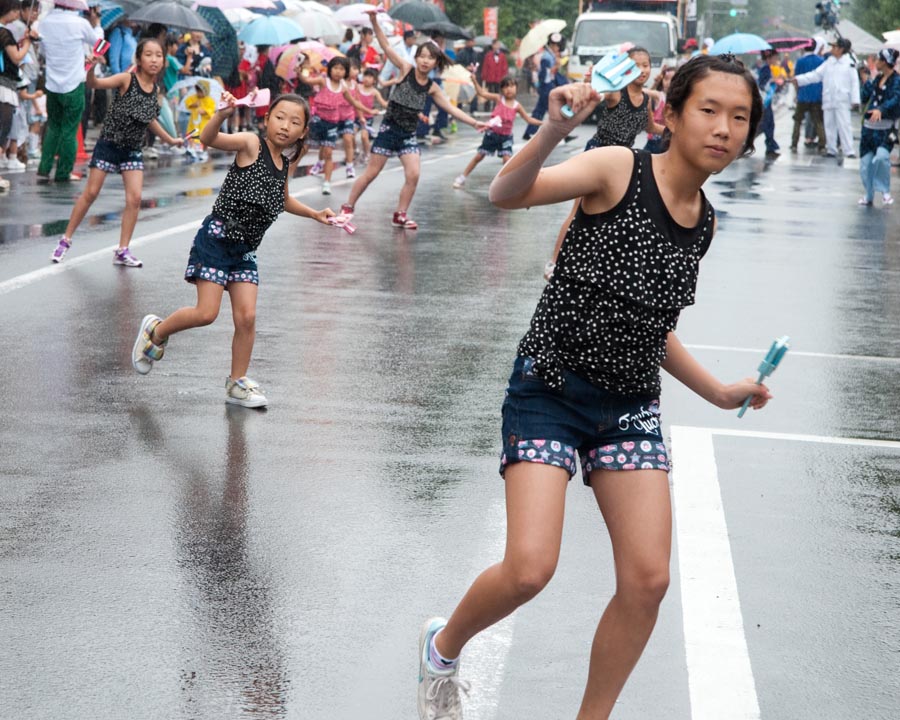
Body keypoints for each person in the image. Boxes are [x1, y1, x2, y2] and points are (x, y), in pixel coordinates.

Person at [415, 54, 770, 720]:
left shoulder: (705, 221)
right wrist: (550, 131)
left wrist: (720, 392)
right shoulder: (619, 170)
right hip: (550, 387)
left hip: (629, 405)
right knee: (529, 568)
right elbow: (506, 195)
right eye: (710, 110)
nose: (724, 128)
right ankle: (442, 647)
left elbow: (652, 327)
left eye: (740, 117)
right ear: (668, 115)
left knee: (648, 579)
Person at [130, 92, 335, 408]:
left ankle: (237, 383)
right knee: (206, 313)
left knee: (247, 317)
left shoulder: (285, 163)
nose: (285, 126)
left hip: (244, 250)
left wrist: (315, 214)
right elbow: (210, 139)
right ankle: (156, 331)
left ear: (303, 130)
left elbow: (282, 199)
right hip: (216, 240)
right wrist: (222, 114)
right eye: (279, 117)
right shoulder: (252, 144)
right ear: (266, 119)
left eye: (295, 122)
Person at [340, 10, 485, 230]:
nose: (425, 61)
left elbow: (450, 108)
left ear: (436, 62)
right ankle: (347, 207)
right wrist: (373, 21)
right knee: (371, 173)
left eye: (430, 58)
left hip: (408, 135)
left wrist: (474, 123)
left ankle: (400, 214)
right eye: (422, 56)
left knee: (414, 174)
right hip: (389, 131)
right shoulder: (406, 69)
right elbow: (387, 47)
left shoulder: (432, 87)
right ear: (416, 58)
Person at [49, 39, 183, 267]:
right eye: (148, 54)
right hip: (109, 145)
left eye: (158, 55)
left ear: (163, 61)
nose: (154, 59)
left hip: (131, 150)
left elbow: (149, 118)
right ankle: (65, 240)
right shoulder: (126, 79)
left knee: (135, 198)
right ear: (139, 59)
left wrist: (170, 139)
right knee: (90, 193)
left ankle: (123, 250)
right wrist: (91, 67)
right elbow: (95, 84)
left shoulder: (155, 89)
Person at [544, 46, 665, 279]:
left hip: (621, 164)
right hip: (597, 155)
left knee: (615, 216)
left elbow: (650, 127)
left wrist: (675, 132)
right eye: (635, 65)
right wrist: (590, 81)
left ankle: (599, 265)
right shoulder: (616, 92)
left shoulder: (646, 100)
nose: (641, 70)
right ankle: (554, 262)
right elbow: (596, 91)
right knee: (578, 211)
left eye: (646, 65)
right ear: (625, 69)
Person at [35, 2, 97, 182]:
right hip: (74, 83)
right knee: (69, 130)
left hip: (52, 84)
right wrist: (92, 56)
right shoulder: (80, 24)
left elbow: (44, 52)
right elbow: (99, 43)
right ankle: (63, 172)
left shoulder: (45, 22)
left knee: (53, 127)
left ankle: (44, 168)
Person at [452, 76, 540, 188]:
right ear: (502, 89)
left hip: (506, 137)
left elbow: (529, 119)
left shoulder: (517, 106)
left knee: (507, 160)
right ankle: (462, 177)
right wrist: (474, 80)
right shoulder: (499, 99)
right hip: (492, 134)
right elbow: (482, 93)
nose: (509, 89)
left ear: (516, 88)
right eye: (506, 86)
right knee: (479, 156)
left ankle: (508, 183)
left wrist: (544, 123)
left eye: (512, 86)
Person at [305, 56, 374, 195]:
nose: (338, 71)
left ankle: (334, 177)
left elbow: (355, 102)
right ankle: (310, 166)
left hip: (338, 120)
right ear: (330, 69)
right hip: (319, 120)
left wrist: (367, 113)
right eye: (335, 68)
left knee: (336, 147)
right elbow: (307, 80)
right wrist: (301, 71)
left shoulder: (347, 87)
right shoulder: (324, 81)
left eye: (342, 69)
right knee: (307, 149)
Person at [793, 37, 859, 158]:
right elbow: (816, 75)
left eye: (834, 47)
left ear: (841, 49)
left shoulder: (849, 64)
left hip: (842, 99)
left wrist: (855, 99)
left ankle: (849, 150)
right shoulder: (829, 62)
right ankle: (831, 149)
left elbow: (854, 83)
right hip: (829, 98)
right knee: (829, 125)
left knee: (844, 125)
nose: (832, 49)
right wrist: (799, 79)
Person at [857, 47, 900, 207]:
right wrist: (866, 79)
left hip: (886, 129)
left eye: (878, 59)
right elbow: (864, 96)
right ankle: (868, 195)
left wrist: (881, 109)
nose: (875, 61)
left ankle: (885, 191)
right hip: (869, 128)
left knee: (882, 158)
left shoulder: (897, 81)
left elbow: (896, 99)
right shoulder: (877, 79)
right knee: (866, 163)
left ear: (885, 62)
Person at [0, 0, 36, 173]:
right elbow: (16, 57)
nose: (16, 15)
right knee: (3, 130)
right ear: (9, 11)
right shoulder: (4, 33)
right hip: (4, 86)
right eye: (15, 11)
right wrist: (28, 43)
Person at [523, 32, 562, 140]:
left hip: (547, 86)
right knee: (552, 111)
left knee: (543, 111)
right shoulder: (546, 57)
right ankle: (561, 134)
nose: (557, 48)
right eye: (556, 45)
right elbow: (545, 74)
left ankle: (530, 132)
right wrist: (556, 67)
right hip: (546, 87)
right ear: (552, 45)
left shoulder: (550, 56)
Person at [790, 39, 825, 153]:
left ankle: (794, 144)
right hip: (816, 96)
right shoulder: (821, 61)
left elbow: (797, 80)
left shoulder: (800, 61)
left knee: (798, 121)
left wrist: (796, 94)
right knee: (818, 121)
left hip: (803, 96)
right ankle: (822, 145)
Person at [355, 67, 387, 164]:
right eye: (365, 76)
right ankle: (354, 150)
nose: (367, 79)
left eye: (370, 77)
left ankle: (367, 153)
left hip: (367, 118)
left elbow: (384, 103)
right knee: (350, 134)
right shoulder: (357, 87)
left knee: (364, 136)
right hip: (355, 116)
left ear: (374, 80)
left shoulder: (374, 92)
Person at [645, 65, 675, 153]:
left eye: (672, 79)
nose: (668, 82)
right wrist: (655, 83)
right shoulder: (660, 96)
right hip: (653, 141)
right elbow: (644, 92)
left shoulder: (681, 100)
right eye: (666, 79)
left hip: (669, 142)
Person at [757, 49, 781, 158]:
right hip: (765, 101)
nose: (776, 60)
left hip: (767, 101)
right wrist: (771, 81)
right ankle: (770, 147)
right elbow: (762, 85)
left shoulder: (767, 68)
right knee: (767, 124)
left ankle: (770, 147)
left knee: (766, 124)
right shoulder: (765, 69)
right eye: (775, 57)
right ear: (769, 58)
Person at [480, 39, 509, 110]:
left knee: (497, 92)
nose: (497, 46)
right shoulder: (488, 55)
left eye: (498, 45)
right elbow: (485, 66)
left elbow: (504, 67)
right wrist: (484, 76)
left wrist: (504, 77)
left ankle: (496, 107)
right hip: (489, 77)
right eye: (495, 44)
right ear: (492, 46)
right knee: (489, 92)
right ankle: (487, 107)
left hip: (499, 77)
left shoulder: (502, 56)